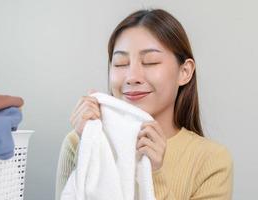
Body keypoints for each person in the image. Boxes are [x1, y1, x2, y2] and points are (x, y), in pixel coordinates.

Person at [56, 9, 233, 200]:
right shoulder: (77, 142)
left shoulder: (212, 160)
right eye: (120, 63)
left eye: (150, 62)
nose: (132, 77)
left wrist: (154, 176)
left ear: (185, 72)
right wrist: (88, 147)